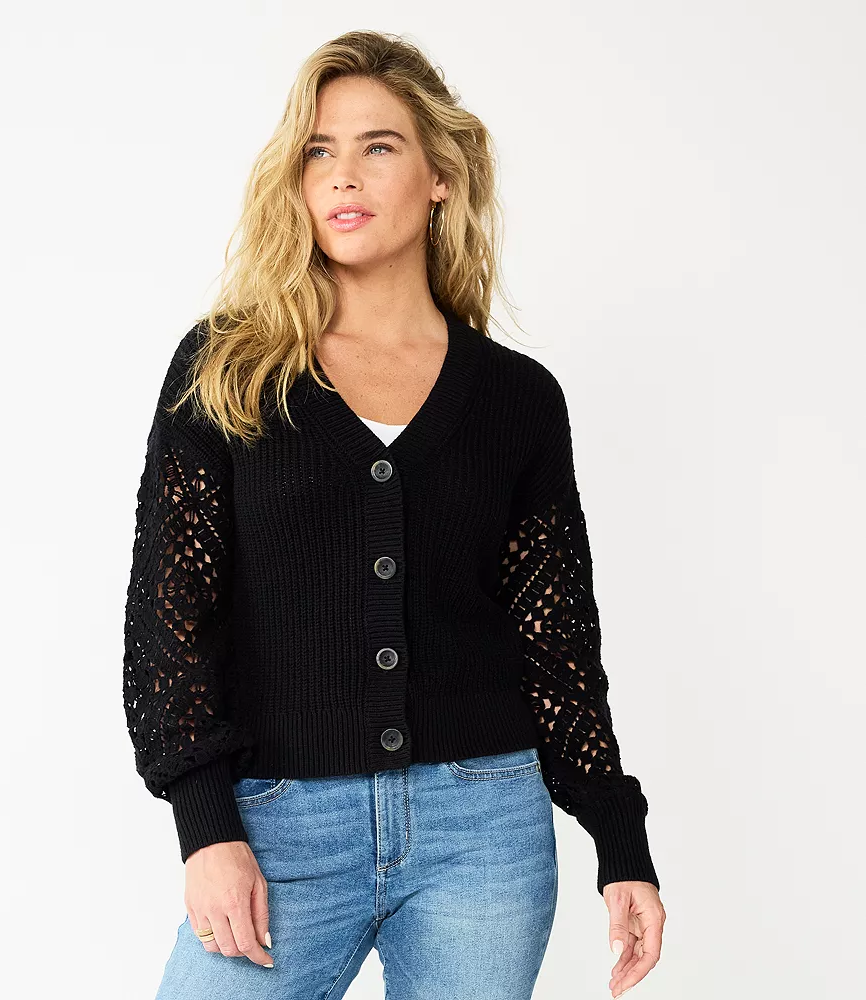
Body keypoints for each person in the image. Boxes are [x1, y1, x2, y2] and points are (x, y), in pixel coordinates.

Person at [123, 29, 665, 1000]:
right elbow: (171, 623)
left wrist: (619, 840)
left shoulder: (516, 400)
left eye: (378, 146)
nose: (343, 175)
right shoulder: (228, 371)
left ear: (440, 176)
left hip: (482, 830)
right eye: (318, 151)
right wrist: (205, 827)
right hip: (276, 826)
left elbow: (557, 644)